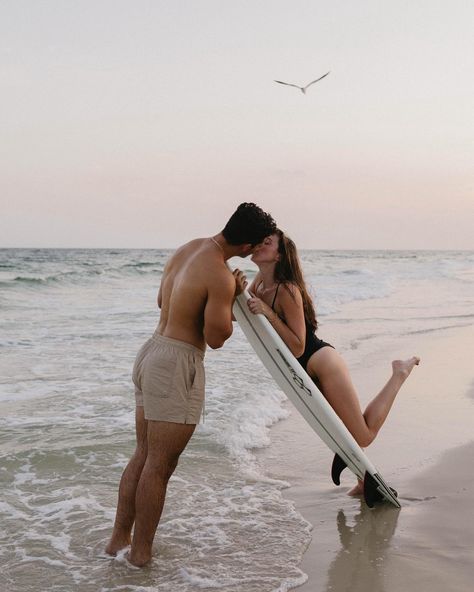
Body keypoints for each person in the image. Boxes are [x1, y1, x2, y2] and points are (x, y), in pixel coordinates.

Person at [105, 203, 277, 566]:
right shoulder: (220, 274)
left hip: (151, 351)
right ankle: (140, 555)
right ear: (247, 246)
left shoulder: (188, 248)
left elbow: (160, 301)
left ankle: (118, 541)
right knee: (160, 465)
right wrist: (230, 296)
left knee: (143, 454)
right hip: (176, 362)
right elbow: (216, 338)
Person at [247, 230, 420, 495]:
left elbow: (297, 346)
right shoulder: (259, 284)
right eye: (260, 240)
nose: (259, 244)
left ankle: (399, 373)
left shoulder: (288, 290)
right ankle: (364, 480)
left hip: (321, 362)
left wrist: (268, 312)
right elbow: (246, 315)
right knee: (338, 429)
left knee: (363, 434)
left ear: (279, 255)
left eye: (267, 242)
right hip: (302, 368)